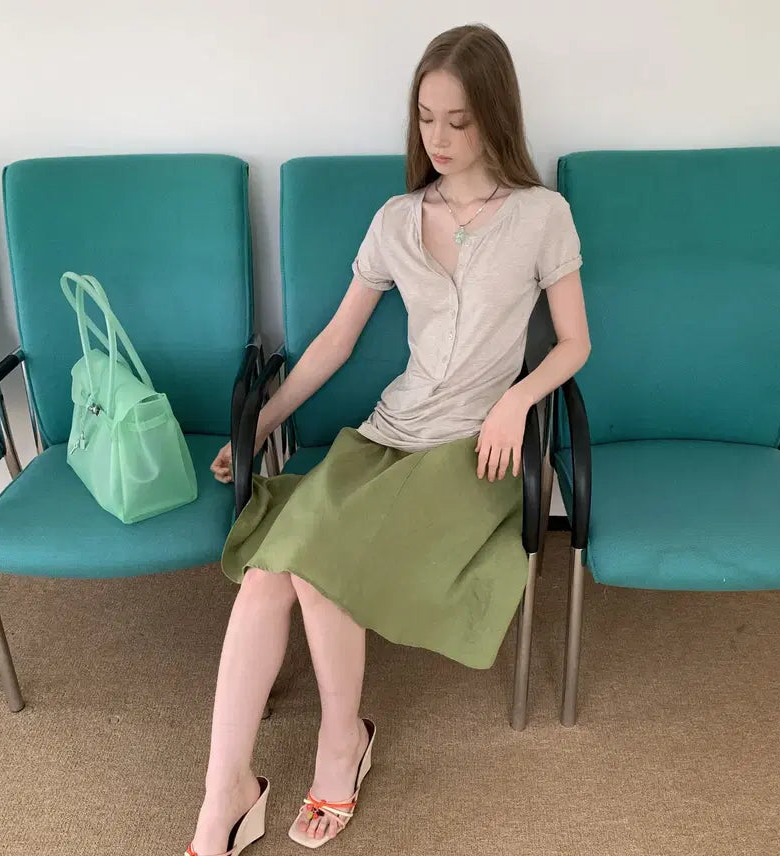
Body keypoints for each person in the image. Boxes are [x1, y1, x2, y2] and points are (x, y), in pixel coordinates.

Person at [186, 22, 590, 856]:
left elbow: (575, 343)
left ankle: (343, 746)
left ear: (496, 116)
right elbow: (334, 342)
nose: (438, 138)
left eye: (458, 120)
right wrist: (261, 422)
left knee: (319, 565)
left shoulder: (542, 215)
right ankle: (226, 789)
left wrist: (518, 400)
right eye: (426, 118)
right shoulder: (398, 219)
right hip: (388, 433)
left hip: (475, 452)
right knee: (267, 574)